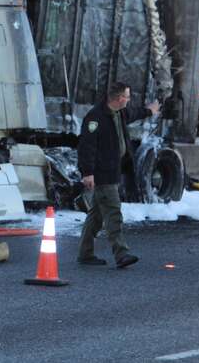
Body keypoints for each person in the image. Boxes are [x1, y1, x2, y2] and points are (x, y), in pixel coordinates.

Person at [77, 82, 160, 269]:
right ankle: (121, 253)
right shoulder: (95, 117)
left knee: (96, 215)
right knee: (113, 212)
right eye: (127, 97)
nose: (129, 100)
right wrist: (87, 173)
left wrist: (149, 111)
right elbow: (86, 147)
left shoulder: (119, 113)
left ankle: (85, 253)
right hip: (102, 173)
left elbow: (134, 114)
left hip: (113, 171)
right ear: (119, 98)